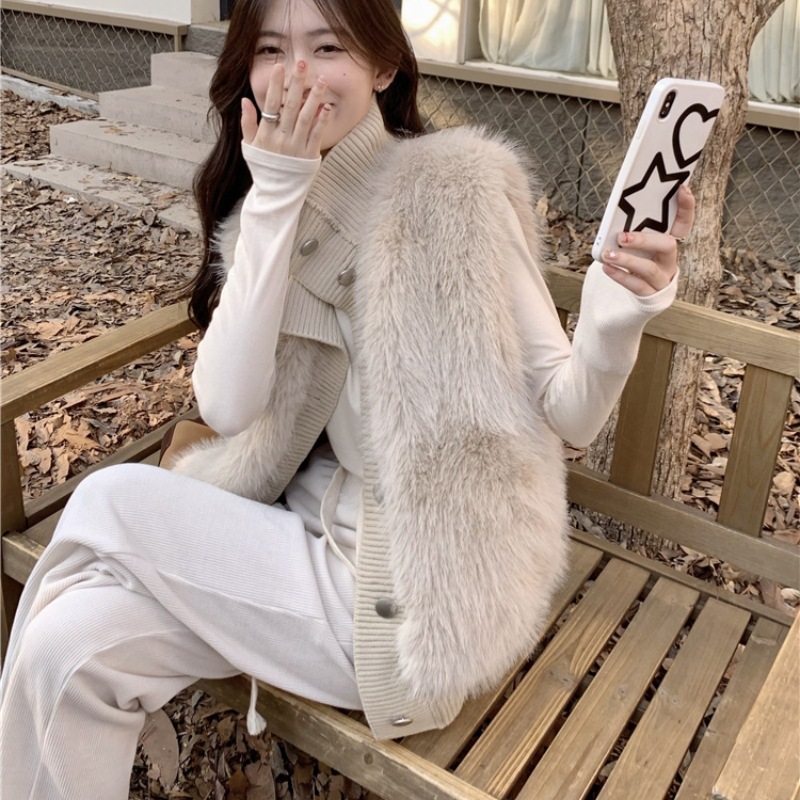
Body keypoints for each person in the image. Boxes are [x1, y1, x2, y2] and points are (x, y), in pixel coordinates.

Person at [0, 0, 695, 796]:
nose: (296, 75)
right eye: (271, 49)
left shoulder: (452, 190)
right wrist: (274, 199)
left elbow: (571, 413)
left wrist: (618, 309)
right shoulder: (273, 200)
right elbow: (228, 406)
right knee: (65, 648)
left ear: (384, 65)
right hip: (293, 535)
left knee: (109, 500)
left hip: (413, 593)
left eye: (327, 47)